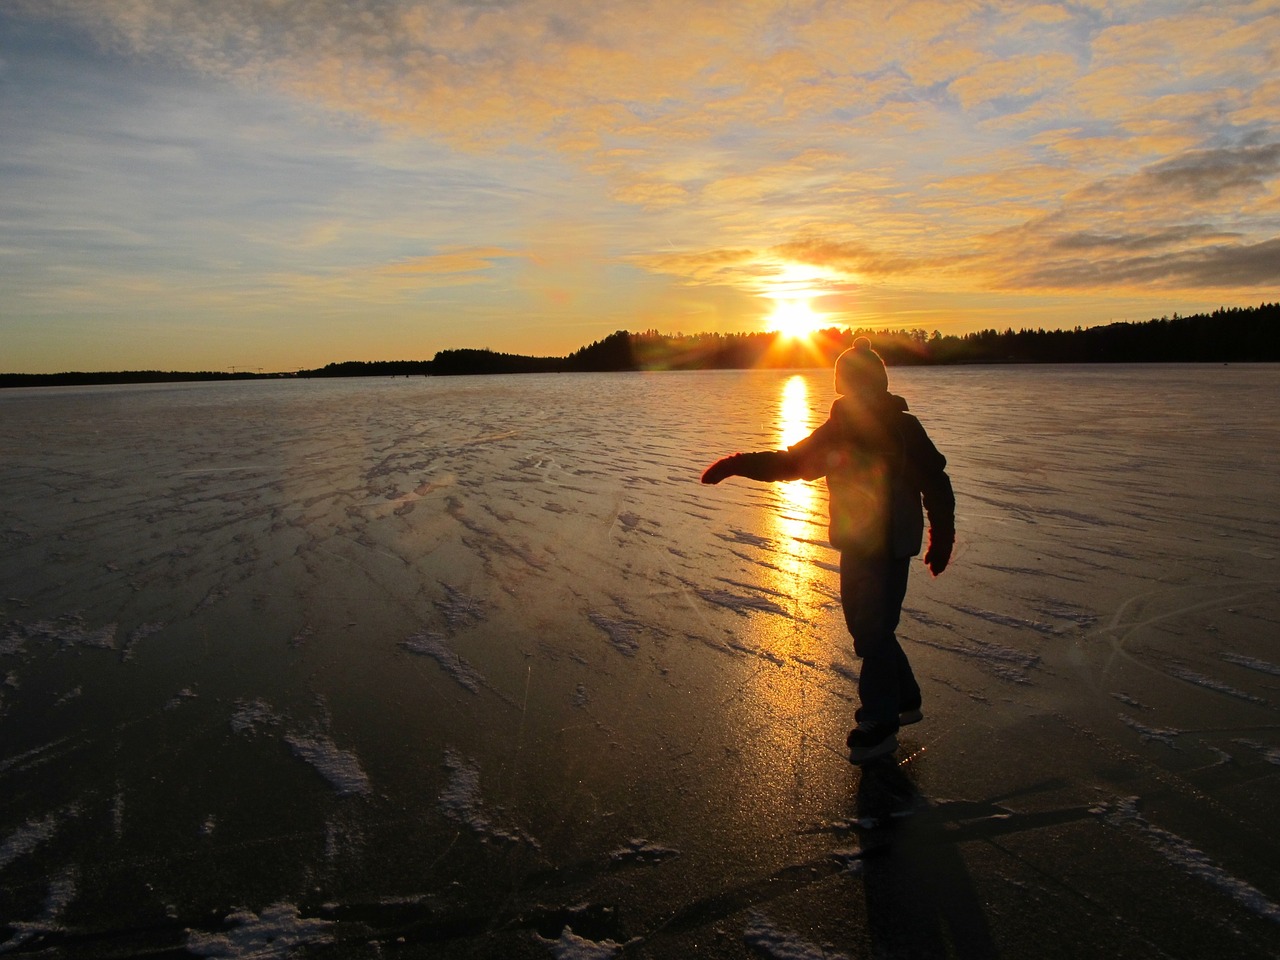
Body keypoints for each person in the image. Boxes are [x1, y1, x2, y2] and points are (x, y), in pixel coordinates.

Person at [701, 338, 955, 764]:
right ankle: (905, 699)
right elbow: (792, 464)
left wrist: (941, 536)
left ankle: (879, 721)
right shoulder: (837, 429)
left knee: (872, 631)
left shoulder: (904, 430)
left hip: (891, 543)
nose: (859, 395)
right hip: (856, 540)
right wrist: (737, 463)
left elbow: (936, 483)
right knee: (870, 629)